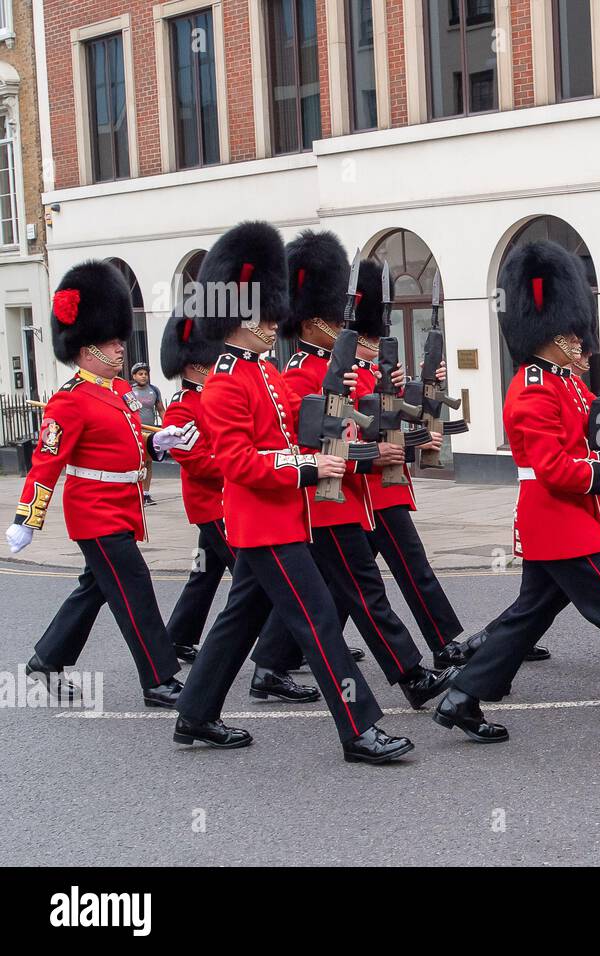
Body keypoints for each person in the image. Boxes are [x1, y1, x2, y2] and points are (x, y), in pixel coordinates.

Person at [434, 240, 600, 755]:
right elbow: (557, 469)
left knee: (529, 615)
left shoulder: (563, 382)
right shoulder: (531, 389)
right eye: (573, 336)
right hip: (561, 518)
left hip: (578, 516)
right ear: (551, 335)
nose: (581, 344)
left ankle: (462, 696)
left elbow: (599, 420)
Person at [173, 220, 414, 763]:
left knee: (237, 622)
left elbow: (302, 414)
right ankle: (358, 728)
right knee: (319, 620)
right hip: (264, 521)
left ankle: (195, 713)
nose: (272, 321)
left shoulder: (262, 372)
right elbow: (238, 462)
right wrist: (308, 467)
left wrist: (345, 388)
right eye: (262, 313)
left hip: (283, 516)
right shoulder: (225, 381)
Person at [247, 230, 454, 710]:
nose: (355, 332)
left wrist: (417, 423)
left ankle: (264, 669)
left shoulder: (340, 368)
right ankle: (410, 674)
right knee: (362, 591)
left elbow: (372, 424)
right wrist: (380, 452)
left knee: (323, 598)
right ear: (314, 321)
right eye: (340, 321)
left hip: (351, 496)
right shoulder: (299, 372)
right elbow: (317, 442)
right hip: (326, 498)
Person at [7, 261, 193, 708]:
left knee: (95, 588)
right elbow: (45, 463)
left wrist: (158, 445)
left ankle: (46, 660)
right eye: (112, 342)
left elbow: (127, 447)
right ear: (87, 348)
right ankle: (159, 678)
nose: (120, 347)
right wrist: (26, 518)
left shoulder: (119, 391)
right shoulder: (69, 400)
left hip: (122, 505)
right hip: (94, 512)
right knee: (135, 589)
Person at [158, 309, 321, 701]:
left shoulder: (258, 374)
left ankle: (190, 660)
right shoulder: (185, 405)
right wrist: (277, 465)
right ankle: (274, 661)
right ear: (195, 362)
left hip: (247, 501)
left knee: (227, 590)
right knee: (270, 593)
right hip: (217, 505)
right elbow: (204, 462)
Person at [349, 258, 471, 669]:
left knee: (342, 585)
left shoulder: (373, 369)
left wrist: (423, 382)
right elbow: (354, 432)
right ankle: (443, 643)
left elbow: (398, 417)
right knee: (411, 568)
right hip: (370, 487)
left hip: (384, 485)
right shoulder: (348, 372)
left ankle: (276, 654)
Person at [130, 363, 165, 505]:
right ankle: (135, 494)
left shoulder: (154, 390)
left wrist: (167, 425)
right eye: (140, 374)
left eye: (145, 374)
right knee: (139, 462)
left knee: (149, 462)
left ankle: (146, 494)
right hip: (136, 430)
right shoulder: (130, 391)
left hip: (150, 431)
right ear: (134, 376)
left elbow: (161, 409)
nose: (144, 376)